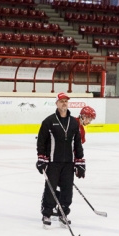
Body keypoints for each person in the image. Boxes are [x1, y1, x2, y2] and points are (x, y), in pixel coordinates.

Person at [36, 93, 84, 227]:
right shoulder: (49, 121)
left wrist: (80, 162)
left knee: (67, 190)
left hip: (68, 163)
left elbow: (78, 144)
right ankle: (47, 213)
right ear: (56, 103)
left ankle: (63, 212)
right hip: (53, 162)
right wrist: (41, 159)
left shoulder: (74, 123)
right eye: (61, 101)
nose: (64, 103)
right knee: (50, 189)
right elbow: (41, 142)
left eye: (66, 101)